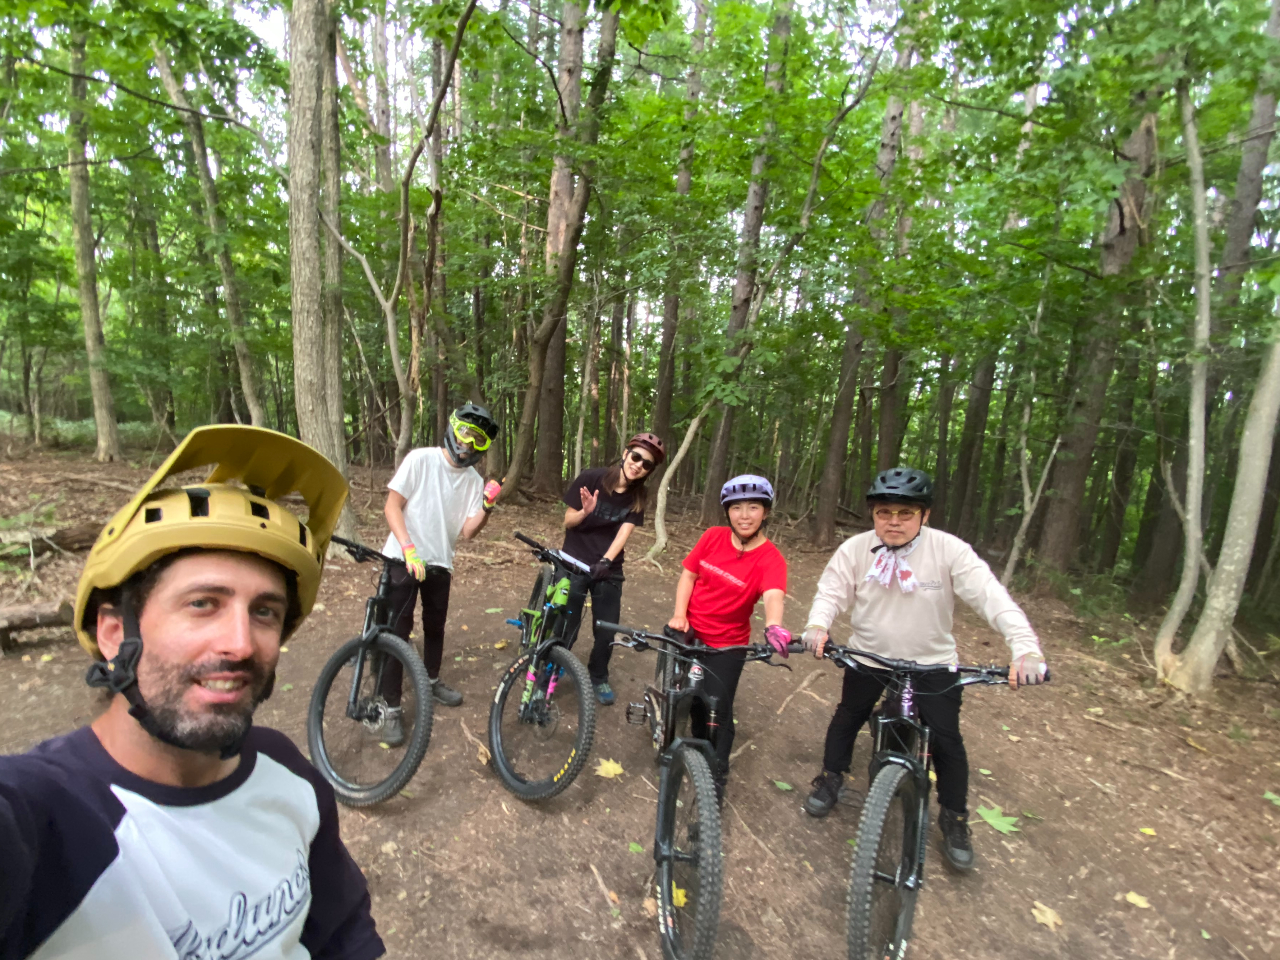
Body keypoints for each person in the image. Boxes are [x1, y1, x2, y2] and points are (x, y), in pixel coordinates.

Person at [0, 425, 383, 960]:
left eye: (264, 611)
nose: (241, 643)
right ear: (115, 633)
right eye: (203, 603)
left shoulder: (286, 770)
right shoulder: (43, 819)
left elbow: (343, 936)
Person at [800, 467, 1048, 873]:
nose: (893, 522)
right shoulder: (856, 549)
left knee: (947, 738)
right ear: (873, 514)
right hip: (869, 655)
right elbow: (831, 592)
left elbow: (992, 599)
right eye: (884, 513)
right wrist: (817, 625)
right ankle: (831, 776)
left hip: (932, 662)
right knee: (848, 715)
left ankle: (954, 816)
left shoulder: (950, 551)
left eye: (905, 513)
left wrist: (1026, 648)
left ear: (924, 516)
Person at [667, 475, 791, 802]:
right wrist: (680, 614)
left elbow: (774, 595)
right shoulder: (712, 537)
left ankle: (717, 772)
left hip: (729, 643)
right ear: (727, 512)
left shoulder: (771, 558)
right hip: (690, 632)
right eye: (737, 507)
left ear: (766, 512)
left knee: (718, 708)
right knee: (688, 697)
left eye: (754, 507)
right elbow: (689, 575)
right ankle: (687, 745)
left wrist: (774, 626)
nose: (745, 515)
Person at [379, 403, 501, 732]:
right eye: (465, 432)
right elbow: (392, 506)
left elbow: (468, 530)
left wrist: (487, 506)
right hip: (403, 560)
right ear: (452, 427)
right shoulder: (421, 459)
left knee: (435, 628)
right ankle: (390, 706)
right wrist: (408, 548)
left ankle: (431, 681)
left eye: (479, 440)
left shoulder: (475, 480)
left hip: (440, 563)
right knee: (397, 633)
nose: (467, 443)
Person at [560, 432, 665, 705]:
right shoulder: (591, 478)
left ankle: (598, 675)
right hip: (574, 559)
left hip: (607, 565)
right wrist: (585, 511)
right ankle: (556, 663)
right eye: (636, 457)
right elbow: (568, 522)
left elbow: (623, 534)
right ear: (625, 454)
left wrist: (606, 561)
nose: (638, 465)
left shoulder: (639, 497)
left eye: (647, 464)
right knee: (567, 620)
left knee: (606, 628)